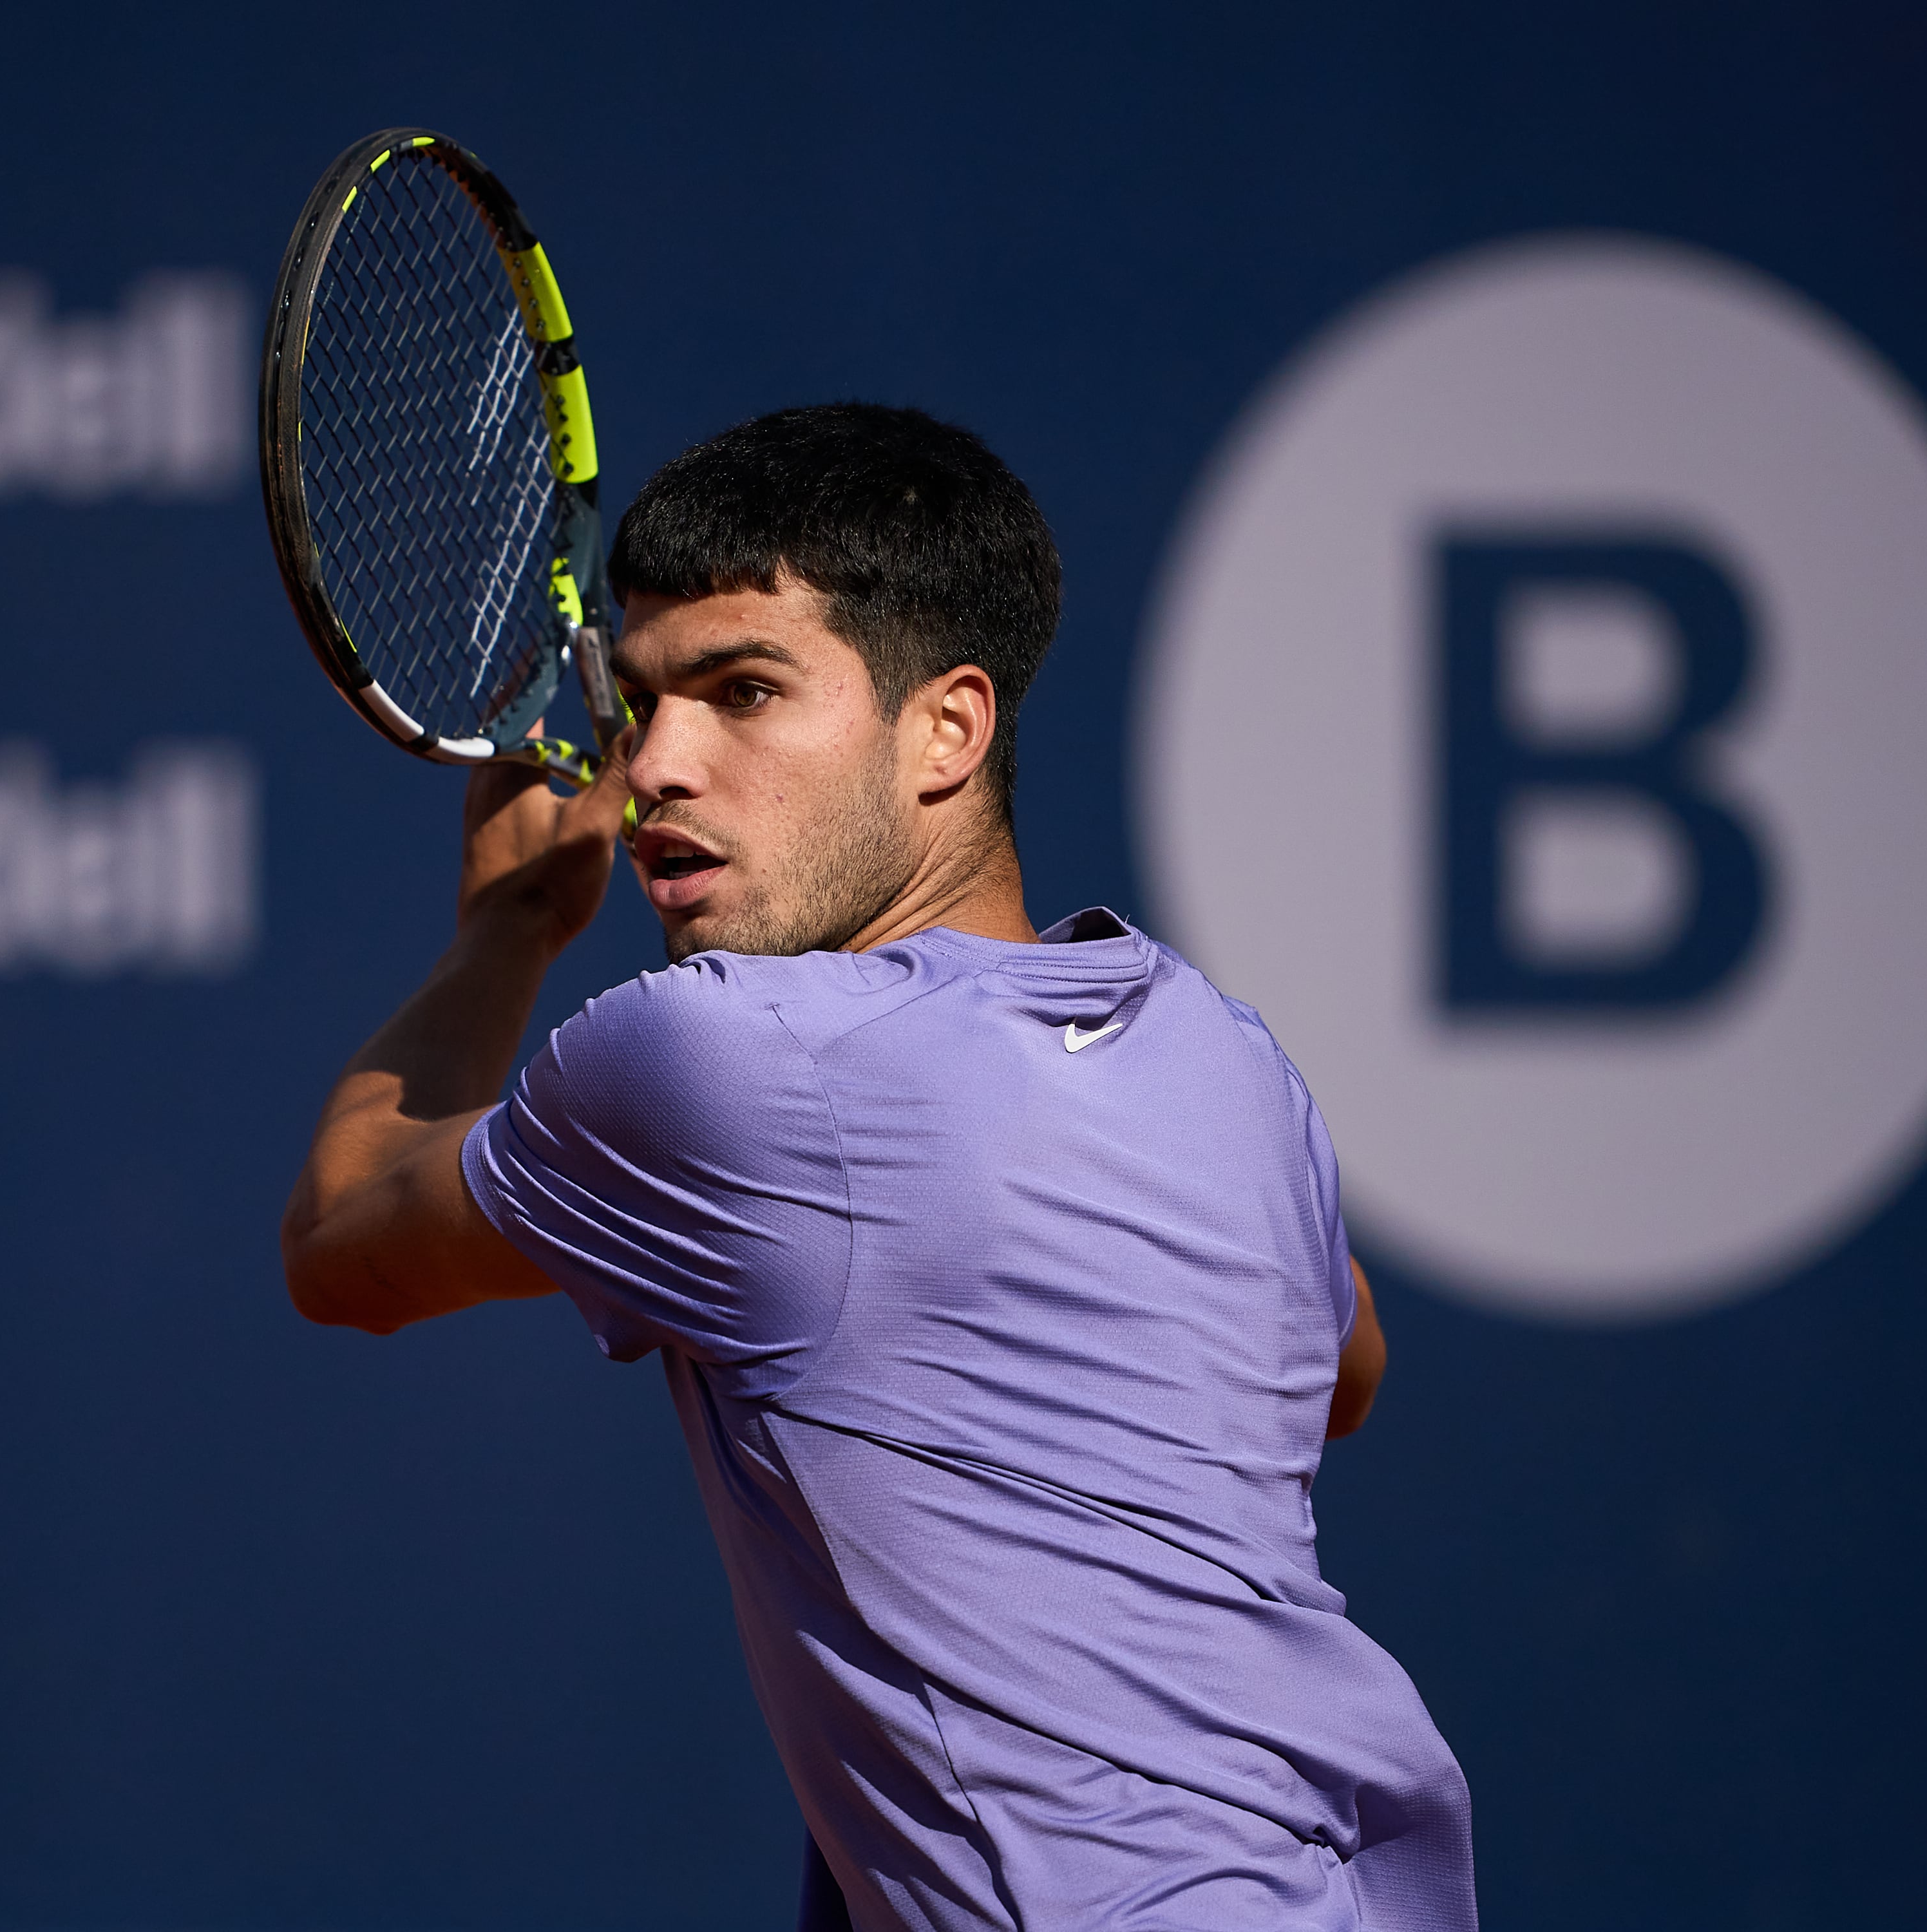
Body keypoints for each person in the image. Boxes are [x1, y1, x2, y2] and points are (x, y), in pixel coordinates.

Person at [280, 404, 1475, 1930]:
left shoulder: (729, 1062)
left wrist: (505, 931)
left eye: (745, 691)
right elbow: (1337, 1366)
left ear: (948, 732)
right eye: (641, 704)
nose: (656, 768)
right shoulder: (1219, 1058)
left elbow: (345, 1239)